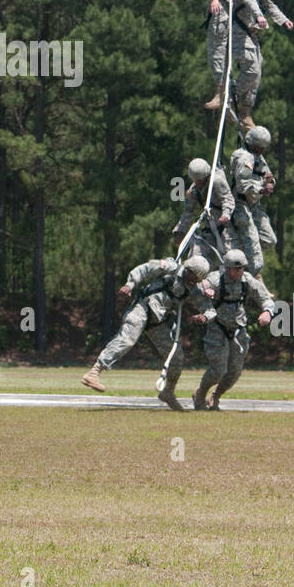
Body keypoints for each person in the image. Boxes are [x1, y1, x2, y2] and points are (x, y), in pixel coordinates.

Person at [82, 255, 213, 409]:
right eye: (193, 277)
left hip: (157, 321)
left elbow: (209, 309)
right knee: (127, 340)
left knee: (176, 356)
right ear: (188, 269)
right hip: (143, 308)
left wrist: (204, 317)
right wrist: (130, 284)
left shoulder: (193, 289)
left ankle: (168, 392)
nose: (194, 281)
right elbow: (144, 269)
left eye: (198, 279)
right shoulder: (170, 268)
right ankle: (94, 372)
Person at [192, 249, 276, 411]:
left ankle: (215, 396)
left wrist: (267, 312)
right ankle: (200, 394)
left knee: (235, 372)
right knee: (218, 369)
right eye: (236, 269)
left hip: (238, 329)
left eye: (242, 268)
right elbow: (200, 285)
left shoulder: (247, 280)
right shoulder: (216, 279)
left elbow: (265, 297)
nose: (240, 271)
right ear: (228, 268)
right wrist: (205, 289)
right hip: (217, 328)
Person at [165, 0, 231, 109]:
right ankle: (227, 91)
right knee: (224, 51)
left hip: (221, 13)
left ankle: (222, 93)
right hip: (228, 12)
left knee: (216, 51)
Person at [229, 0, 293, 129]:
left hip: (249, 32)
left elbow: (269, 5)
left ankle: (245, 111)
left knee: (257, 72)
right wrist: (259, 16)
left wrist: (283, 20)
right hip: (237, 31)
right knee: (251, 68)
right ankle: (229, 97)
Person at [227, 125, 277, 281]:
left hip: (254, 205)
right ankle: (254, 279)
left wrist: (270, 183)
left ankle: (240, 254)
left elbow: (268, 174)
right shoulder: (244, 158)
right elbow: (242, 185)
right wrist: (261, 188)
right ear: (252, 143)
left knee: (269, 239)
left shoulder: (258, 157)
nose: (262, 150)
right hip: (240, 205)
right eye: (259, 147)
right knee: (254, 247)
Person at [172, 158, 234, 263]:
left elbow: (227, 199)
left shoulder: (217, 181)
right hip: (210, 228)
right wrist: (180, 230)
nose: (198, 182)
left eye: (201, 179)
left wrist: (226, 214)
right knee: (195, 257)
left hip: (227, 227)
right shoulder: (194, 190)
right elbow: (188, 212)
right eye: (196, 180)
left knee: (232, 259)